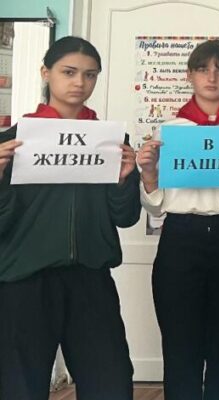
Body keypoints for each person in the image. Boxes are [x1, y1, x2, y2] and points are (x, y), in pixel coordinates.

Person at [0, 36, 140, 400]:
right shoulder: (12, 142)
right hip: (24, 282)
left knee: (111, 383)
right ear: (45, 73)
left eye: (90, 75)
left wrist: (124, 181)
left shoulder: (112, 142)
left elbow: (125, 217)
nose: (80, 82)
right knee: (19, 387)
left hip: (91, 278)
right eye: (69, 72)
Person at [136, 39, 219, 400]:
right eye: (202, 69)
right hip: (181, 238)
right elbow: (156, 207)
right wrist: (148, 175)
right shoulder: (169, 131)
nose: (212, 77)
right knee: (180, 340)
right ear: (189, 75)